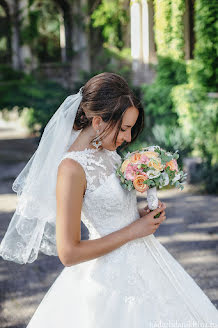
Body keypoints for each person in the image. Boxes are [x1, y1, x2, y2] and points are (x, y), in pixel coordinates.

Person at [1, 72, 218, 327]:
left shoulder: (110, 154)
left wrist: (139, 217)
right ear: (98, 121)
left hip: (145, 260)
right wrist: (133, 231)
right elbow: (69, 253)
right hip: (108, 280)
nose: (128, 138)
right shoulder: (71, 168)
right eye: (124, 128)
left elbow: (113, 212)